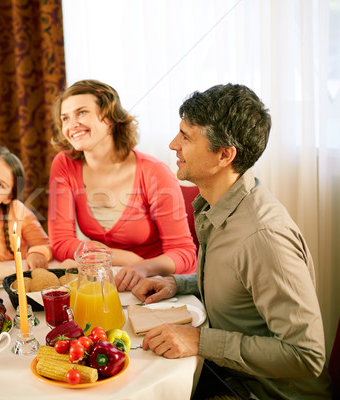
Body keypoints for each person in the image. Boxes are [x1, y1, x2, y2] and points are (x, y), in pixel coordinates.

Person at [134, 84, 331, 399]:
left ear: (225, 155)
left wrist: (200, 341)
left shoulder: (263, 237)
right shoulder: (220, 205)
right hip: (229, 375)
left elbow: (306, 356)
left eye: (186, 137)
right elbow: (239, 284)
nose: (173, 144)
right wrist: (178, 283)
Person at [48, 79, 196, 290]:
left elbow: (184, 253)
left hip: (157, 284)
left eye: (81, 112)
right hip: (108, 282)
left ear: (109, 118)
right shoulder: (64, 164)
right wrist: (121, 258)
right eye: (65, 118)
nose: (72, 125)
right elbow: (61, 243)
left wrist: (143, 267)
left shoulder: (153, 171)